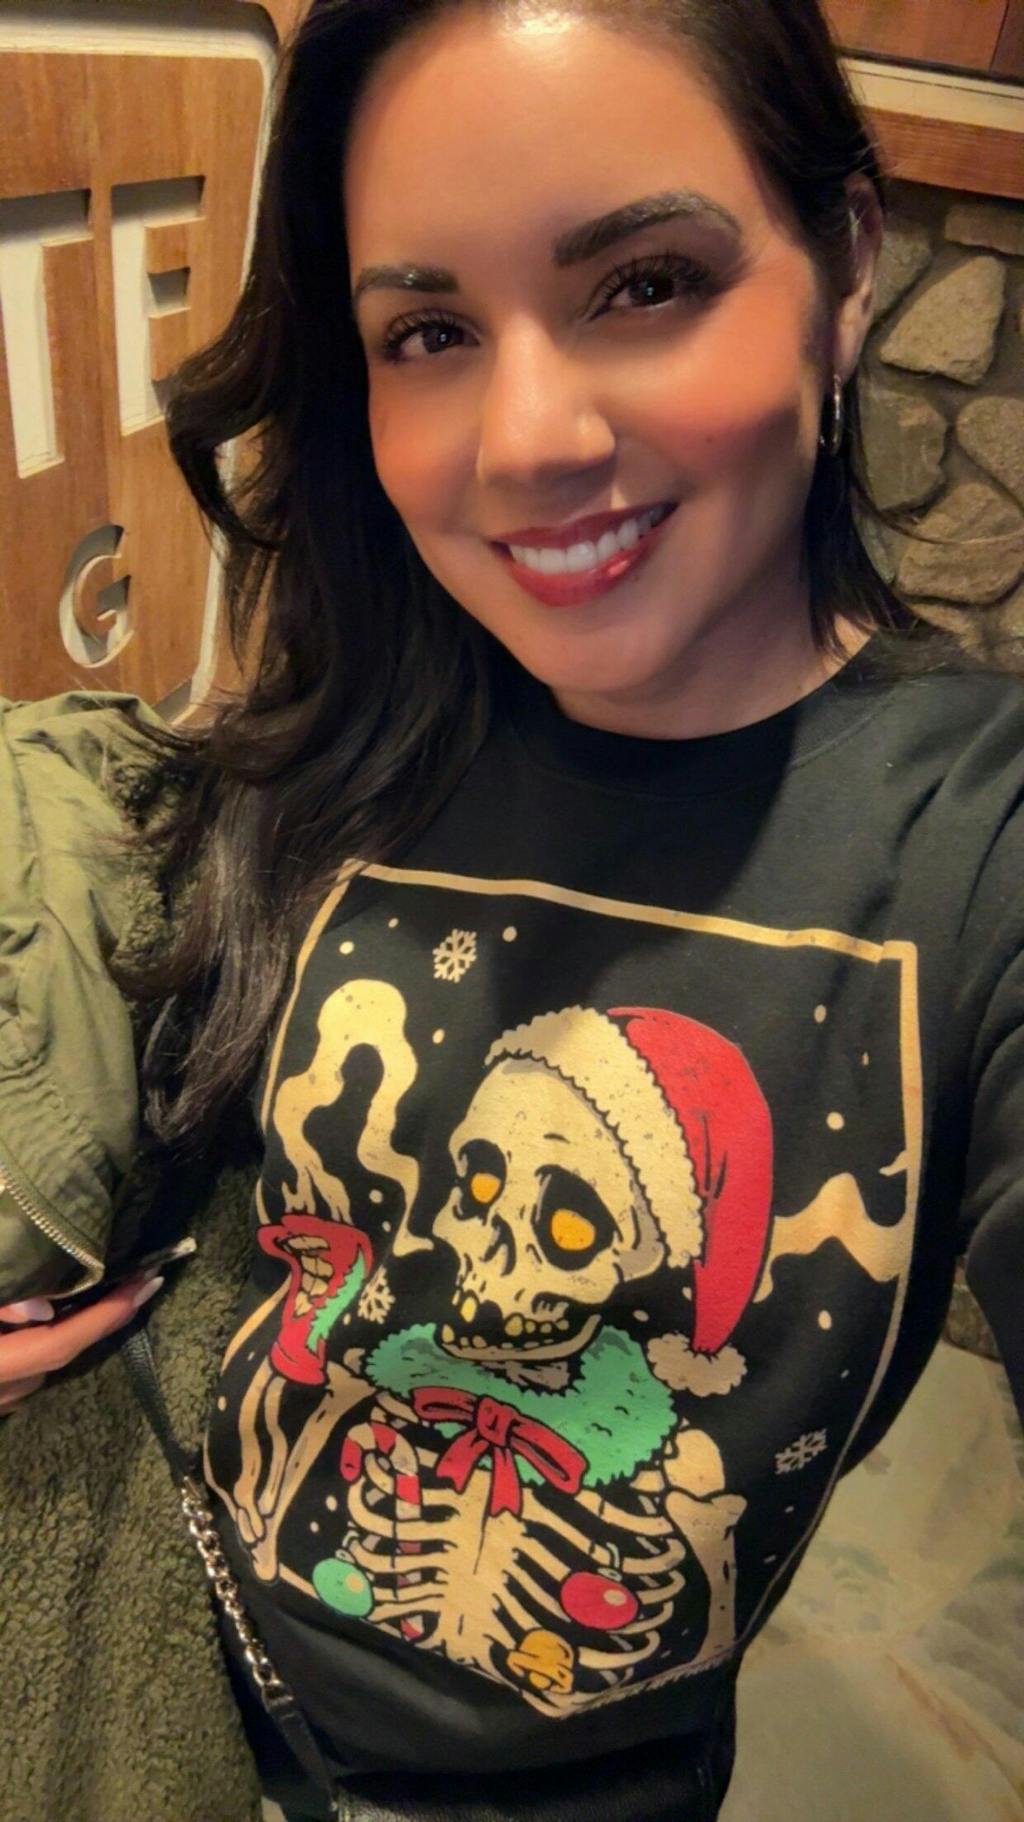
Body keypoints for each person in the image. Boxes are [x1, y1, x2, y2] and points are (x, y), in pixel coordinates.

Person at [1, 1, 1021, 1818]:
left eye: (644, 283)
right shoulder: (345, 722)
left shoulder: (978, 842)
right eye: (431, 332)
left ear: (848, 265)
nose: (529, 439)